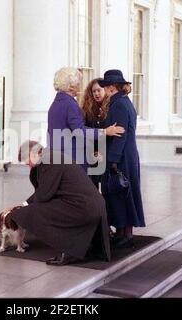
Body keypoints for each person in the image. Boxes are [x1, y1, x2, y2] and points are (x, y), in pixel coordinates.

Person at [8, 141, 111, 266]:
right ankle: (79, 246)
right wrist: (23, 204)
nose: (29, 166)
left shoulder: (48, 161)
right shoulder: (51, 156)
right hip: (91, 206)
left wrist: (19, 212)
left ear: (34, 154)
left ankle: (69, 251)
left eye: (28, 162)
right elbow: (45, 191)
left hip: (83, 208)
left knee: (33, 213)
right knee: (30, 209)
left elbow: (43, 196)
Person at [98, 69, 145, 247]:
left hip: (121, 155)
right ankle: (124, 232)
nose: (104, 91)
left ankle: (124, 233)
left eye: (105, 87)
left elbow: (120, 134)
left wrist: (113, 160)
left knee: (119, 192)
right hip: (128, 154)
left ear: (111, 87)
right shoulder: (125, 102)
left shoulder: (117, 104)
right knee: (126, 192)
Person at [47, 67, 125, 170]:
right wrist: (105, 132)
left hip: (57, 158)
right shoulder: (70, 104)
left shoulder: (55, 105)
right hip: (72, 160)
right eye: (78, 84)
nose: (79, 87)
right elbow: (79, 131)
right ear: (71, 86)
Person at [80, 78, 107, 188]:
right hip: (91, 152)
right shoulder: (87, 109)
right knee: (92, 186)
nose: (96, 93)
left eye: (98, 90)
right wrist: (94, 151)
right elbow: (85, 131)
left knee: (106, 186)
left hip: (106, 152)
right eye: (94, 91)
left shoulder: (111, 107)